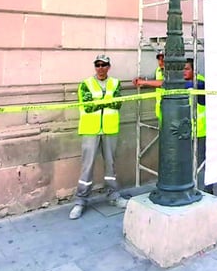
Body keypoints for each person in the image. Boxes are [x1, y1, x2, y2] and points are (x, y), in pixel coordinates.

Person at [70, 54, 126, 220]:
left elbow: (118, 103)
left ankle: (113, 196)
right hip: (91, 130)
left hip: (110, 129)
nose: (101, 68)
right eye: (98, 65)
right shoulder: (86, 84)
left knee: (111, 165)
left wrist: (100, 101)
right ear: (95, 66)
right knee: (87, 166)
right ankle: (80, 201)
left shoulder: (115, 83)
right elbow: (87, 106)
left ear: (109, 67)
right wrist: (107, 99)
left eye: (104, 65)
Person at [184, 58, 210, 194]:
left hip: (201, 130)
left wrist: (145, 82)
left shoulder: (199, 83)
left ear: (194, 70)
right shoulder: (189, 82)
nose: (183, 71)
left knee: (201, 163)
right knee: (190, 163)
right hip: (189, 131)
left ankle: (206, 190)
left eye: (187, 69)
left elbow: (184, 85)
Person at [134, 51, 165, 121]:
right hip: (159, 104)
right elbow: (155, 81)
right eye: (159, 59)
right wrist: (142, 80)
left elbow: (162, 83)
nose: (161, 62)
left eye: (163, 59)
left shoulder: (171, 70)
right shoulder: (158, 70)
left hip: (169, 104)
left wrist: (143, 82)